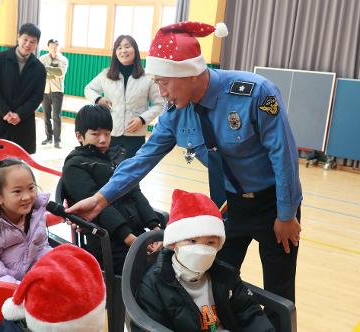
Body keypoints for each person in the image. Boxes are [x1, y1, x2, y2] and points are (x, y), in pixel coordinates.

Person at [66, 21, 302, 322]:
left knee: (280, 292)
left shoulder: (256, 94)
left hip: (275, 205)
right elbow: (142, 159)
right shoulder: (175, 114)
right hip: (231, 205)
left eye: (164, 83)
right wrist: (100, 200)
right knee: (219, 279)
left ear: (189, 74)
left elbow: (283, 156)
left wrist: (285, 214)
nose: (161, 93)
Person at [136, 189, 274, 331]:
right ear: (173, 243)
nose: (201, 250)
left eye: (210, 243)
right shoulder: (154, 286)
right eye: (193, 241)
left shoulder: (225, 275)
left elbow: (250, 312)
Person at [61, 104, 163, 274]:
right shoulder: (75, 166)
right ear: (79, 136)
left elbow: (135, 193)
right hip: (107, 242)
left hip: (134, 233)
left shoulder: (116, 157)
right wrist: (131, 239)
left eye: (107, 134)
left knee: (169, 261)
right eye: (95, 134)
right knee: (154, 272)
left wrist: (154, 228)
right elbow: (97, 208)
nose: (103, 140)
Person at [84, 35, 163, 158]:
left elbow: (159, 104)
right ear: (115, 53)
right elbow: (88, 89)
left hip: (135, 135)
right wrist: (98, 99)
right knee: (108, 171)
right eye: (119, 48)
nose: (123, 51)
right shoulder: (106, 74)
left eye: (127, 46)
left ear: (135, 51)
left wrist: (142, 120)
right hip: (110, 133)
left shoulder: (148, 77)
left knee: (132, 172)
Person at [0, 23, 46, 155]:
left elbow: (37, 97)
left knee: (15, 165)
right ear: (18, 37)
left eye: (32, 42)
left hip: (22, 123)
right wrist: (5, 112)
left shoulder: (39, 68)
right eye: (25, 39)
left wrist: (19, 114)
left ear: (37, 44)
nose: (27, 45)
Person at [39, 39, 68, 149]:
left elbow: (60, 73)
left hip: (57, 90)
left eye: (56, 46)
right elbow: (40, 74)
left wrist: (46, 69)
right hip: (45, 90)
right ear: (48, 47)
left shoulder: (63, 59)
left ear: (59, 47)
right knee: (46, 115)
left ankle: (57, 140)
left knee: (56, 116)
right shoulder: (42, 58)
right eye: (51, 46)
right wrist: (52, 71)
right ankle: (49, 137)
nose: (54, 49)